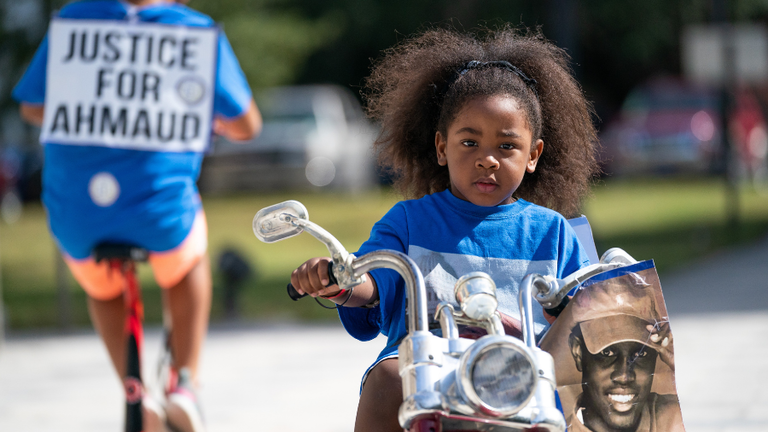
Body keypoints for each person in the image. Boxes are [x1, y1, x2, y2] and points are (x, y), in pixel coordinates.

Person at [290, 26, 599, 432]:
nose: (488, 159)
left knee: (580, 395)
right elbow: (374, 281)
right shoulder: (408, 222)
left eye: (506, 146)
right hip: (429, 375)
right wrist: (341, 283)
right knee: (387, 377)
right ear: (441, 147)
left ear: (533, 155)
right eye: (470, 143)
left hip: (522, 379)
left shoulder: (554, 233)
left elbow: (593, 315)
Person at [12, 1, 261, 431]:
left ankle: (135, 394)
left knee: (104, 288)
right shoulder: (193, 32)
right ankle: (186, 383)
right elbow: (246, 125)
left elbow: (32, 107)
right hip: (158, 215)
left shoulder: (73, 21)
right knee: (190, 257)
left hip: (78, 216)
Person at [566, 274, 684, 432]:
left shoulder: (671, 417)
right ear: (578, 352)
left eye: (640, 354)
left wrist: (675, 362)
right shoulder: (555, 426)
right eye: (607, 353)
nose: (624, 376)